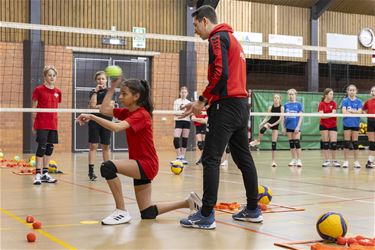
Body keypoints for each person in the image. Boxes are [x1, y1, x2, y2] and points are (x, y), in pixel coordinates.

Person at [179, 5, 263, 230]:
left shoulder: (217, 38)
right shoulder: (232, 39)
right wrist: (201, 102)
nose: (196, 31)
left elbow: (221, 74)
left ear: (205, 21)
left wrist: (202, 100)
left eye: (196, 25)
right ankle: (253, 209)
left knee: (210, 159)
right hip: (240, 106)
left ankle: (206, 215)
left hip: (225, 107)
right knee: (243, 158)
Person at [76, 77, 201, 225]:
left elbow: (116, 127)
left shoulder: (141, 114)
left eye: (124, 94)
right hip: (140, 163)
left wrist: (91, 117)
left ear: (136, 96)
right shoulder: (127, 111)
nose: (120, 97)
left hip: (146, 164)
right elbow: (103, 109)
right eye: (120, 93)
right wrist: (112, 87)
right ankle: (188, 202)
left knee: (107, 166)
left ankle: (121, 211)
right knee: (147, 213)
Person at [32, 65, 61, 185]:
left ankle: (45, 173)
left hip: (53, 124)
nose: (52, 77)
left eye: (54, 75)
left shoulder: (58, 92)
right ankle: (37, 174)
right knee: (41, 147)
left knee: (49, 148)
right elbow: (33, 108)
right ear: (45, 76)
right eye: (49, 75)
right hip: (42, 123)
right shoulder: (38, 90)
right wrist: (34, 124)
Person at [87, 71, 113, 181]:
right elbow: (92, 106)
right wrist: (95, 92)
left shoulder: (110, 91)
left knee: (106, 146)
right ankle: (91, 172)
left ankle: (108, 170)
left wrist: (100, 106)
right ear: (96, 81)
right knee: (93, 145)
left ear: (106, 80)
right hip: (94, 121)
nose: (101, 81)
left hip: (106, 120)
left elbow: (110, 105)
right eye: (98, 79)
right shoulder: (93, 92)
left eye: (102, 79)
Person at [250, 94, 284, 167]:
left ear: (280, 100)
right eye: (274, 98)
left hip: (276, 124)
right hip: (270, 122)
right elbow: (267, 117)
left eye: (277, 98)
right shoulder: (270, 107)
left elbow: (280, 119)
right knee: (262, 129)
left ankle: (273, 161)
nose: (276, 99)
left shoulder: (282, 108)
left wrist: (273, 125)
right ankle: (258, 141)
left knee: (274, 144)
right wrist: (262, 123)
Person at [342, 84, 362, 168]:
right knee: (346, 143)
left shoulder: (359, 101)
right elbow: (344, 112)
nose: (352, 91)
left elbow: (360, 112)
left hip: (355, 123)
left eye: (353, 90)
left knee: (355, 143)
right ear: (347, 91)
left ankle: (356, 161)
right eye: (350, 90)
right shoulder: (345, 100)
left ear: (356, 91)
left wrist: (351, 111)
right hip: (347, 123)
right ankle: (346, 161)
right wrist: (355, 111)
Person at [318, 88, 340, 168]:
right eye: (330, 94)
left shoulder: (334, 103)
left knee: (334, 144)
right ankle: (326, 160)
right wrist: (330, 114)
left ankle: (334, 160)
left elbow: (332, 114)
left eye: (332, 94)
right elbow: (321, 116)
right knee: (325, 143)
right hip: (324, 125)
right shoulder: (321, 104)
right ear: (326, 95)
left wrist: (326, 115)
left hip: (333, 125)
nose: (332, 95)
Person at [282, 89, 303, 168]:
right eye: (289, 94)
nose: (291, 96)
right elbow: (283, 117)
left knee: (297, 143)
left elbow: (301, 116)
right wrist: (283, 127)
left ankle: (299, 160)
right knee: (291, 144)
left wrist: (298, 126)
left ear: (295, 95)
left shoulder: (299, 104)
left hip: (296, 127)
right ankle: (293, 159)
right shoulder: (286, 105)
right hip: (288, 127)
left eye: (292, 94)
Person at [172, 86, 191, 164]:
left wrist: (186, 112)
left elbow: (190, 112)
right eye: (182, 92)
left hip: (187, 121)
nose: (183, 93)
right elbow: (175, 112)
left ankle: (182, 157)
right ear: (180, 93)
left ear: (187, 93)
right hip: (179, 120)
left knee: (185, 139)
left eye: (185, 92)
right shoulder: (176, 101)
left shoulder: (189, 102)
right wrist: (182, 110)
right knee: (176, 138)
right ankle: (179, 156)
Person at [363, 86, 375, 169]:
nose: (373, 92)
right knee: (372, 143)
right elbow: (364, 110)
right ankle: (370, 161)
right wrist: (365, 114)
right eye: (372, 91)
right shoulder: (368, 102)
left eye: (374, 91)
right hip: (371, 122)